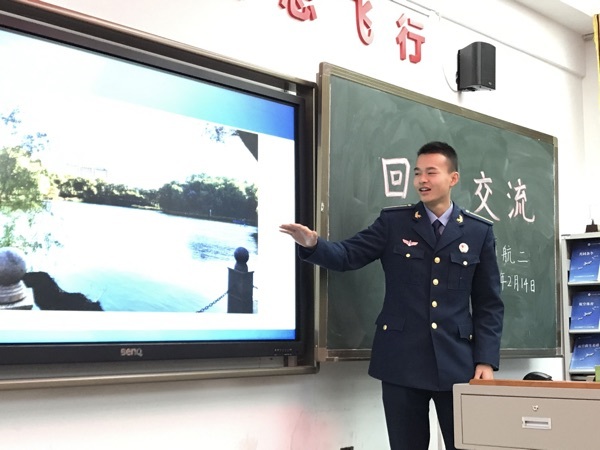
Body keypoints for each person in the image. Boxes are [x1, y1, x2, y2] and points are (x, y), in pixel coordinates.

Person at [280, 141, 504, 450]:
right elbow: (349, 255)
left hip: (458, 363)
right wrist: (314, 245)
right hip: (402, 360)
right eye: (417, 173)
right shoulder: (394, 223)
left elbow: (489, 303)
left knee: (467, 445)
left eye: (431, 172)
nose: (422, 180)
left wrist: (486, 360)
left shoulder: (478, 232)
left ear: (453, 178)